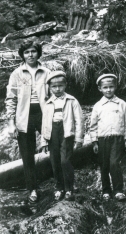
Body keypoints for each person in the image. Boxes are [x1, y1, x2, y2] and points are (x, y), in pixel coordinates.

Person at [5, 41, 50, 203]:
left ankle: (61, 184)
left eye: (33, 51)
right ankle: (32, 189)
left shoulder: (46, 72)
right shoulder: (16, 74)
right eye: (26, 52)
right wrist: (11, 123)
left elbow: (53, 96)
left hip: (43, 113)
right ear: (22, 55)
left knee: (56, 145)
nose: (30, 55)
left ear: (38, 53)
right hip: (24, 115)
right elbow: (11, 99)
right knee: (27, 154)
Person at [41, 71, 84, 201]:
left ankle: (69, 188)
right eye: (54, 86)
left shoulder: (72, 100)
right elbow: (45, 123)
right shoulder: (48, 103)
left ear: (65, 85)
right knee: (55, 162)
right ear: (50, 87)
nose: (57, 89)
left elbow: (79, 120)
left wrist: (79, 138)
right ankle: (59, 187)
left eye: (60, 85)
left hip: (66, 132)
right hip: (53, 133)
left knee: (65, 161)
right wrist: (43, 141)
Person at [90, 74, 126, 201]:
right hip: (103, 139)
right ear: (100, 89)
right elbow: (93, 126)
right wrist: (94, 142)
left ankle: (118, 190)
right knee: (104, 165)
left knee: (114, 163)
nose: (108, 90)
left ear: (115, 87)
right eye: (105, 87)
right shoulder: (98, 106)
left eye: (111, 87)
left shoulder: (121, 104)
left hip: (117, 138)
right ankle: (106, 191)